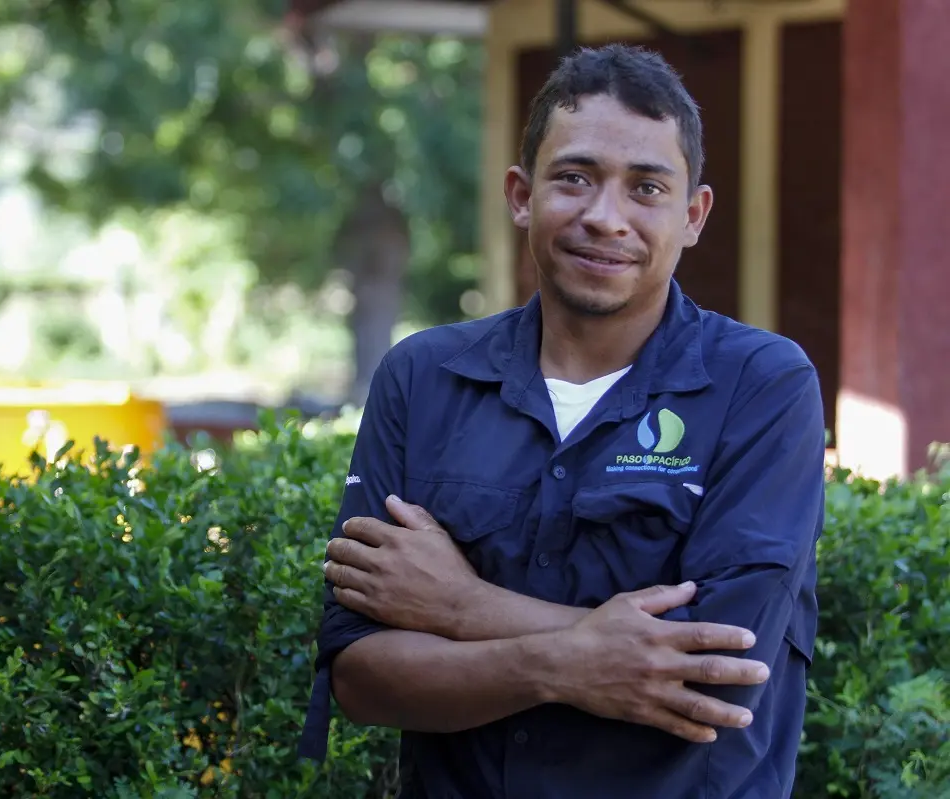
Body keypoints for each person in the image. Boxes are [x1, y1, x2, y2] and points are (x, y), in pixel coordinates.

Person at [297, 43, 825, 798]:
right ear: (521, 194)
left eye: (647, 187)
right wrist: (572, 658)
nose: (606, 218)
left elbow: (710, 677)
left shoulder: (762, 387)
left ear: (694, 213)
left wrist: (461, 606)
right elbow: (362, 676)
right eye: (575, 178)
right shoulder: (422, 378)